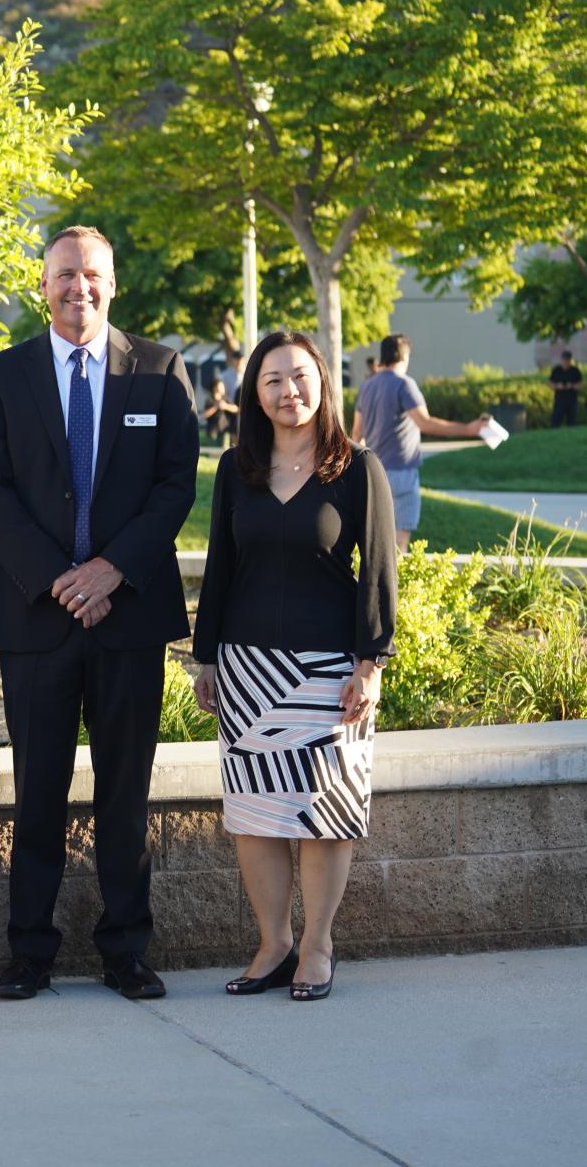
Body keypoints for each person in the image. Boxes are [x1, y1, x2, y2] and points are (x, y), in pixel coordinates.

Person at [0, 224, 198, 1002]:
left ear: (112, 283)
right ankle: (29, 951)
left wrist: (109, 571)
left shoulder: (160, 372)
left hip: (128, 615)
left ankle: (125, 951)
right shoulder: (0, 378)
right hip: (38, 617)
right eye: (64, 275)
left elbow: (174, 487)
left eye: (91, 274)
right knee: (36, 794)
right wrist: (61, 579)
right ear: (42, 285)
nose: (79, 288)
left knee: (124, 795)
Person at [192, 330, 395, 1003]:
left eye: (301, 376)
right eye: (273, 379)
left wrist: (370, 664)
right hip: (248, 667)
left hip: (329, 671)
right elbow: (220, 568)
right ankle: (273, 942)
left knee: (324, 814)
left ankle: (316, 947)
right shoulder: (234, 469)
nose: (289, 390)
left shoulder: (357, 467)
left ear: (323, 382)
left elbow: (377, 575)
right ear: (254, 391)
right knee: (255, 816)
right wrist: (206, 658)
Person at [349, 334, 491, 551]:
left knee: (374, 543)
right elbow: (425, 424)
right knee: (398, 546)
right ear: (404, 356)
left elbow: (356, 433)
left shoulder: (367, 386)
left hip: (373, 473)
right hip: (401, 474)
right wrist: (469, 429)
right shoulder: (404, 384)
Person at [548, 350, 582, 428]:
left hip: (572, 400)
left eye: (568, 360)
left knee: (571, 421)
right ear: (561, 360)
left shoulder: (575, 371)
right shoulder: (557, 370)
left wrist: (572, 386)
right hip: (559, 399)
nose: (566, 362)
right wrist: (557, 386)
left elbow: (581, 385)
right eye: (564, 360)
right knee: (555, 421)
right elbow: (550, 383)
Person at [202, 378, 240, 445]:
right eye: (220, 386)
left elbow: (236, 409)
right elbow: (204, 415)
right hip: (213, 431)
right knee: (213, 451)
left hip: (225, 430)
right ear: (214, 387)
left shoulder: (226, 399)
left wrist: (226, 406)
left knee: (225, 448)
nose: (222, 388)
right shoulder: (210, 400)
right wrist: (216, 407)